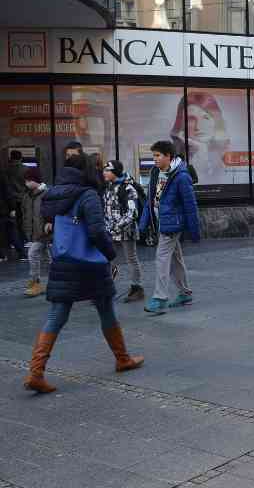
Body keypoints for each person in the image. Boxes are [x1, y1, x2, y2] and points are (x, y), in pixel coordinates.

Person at [23, 154, 144, 394]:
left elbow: (50, 223)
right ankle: (122, 359)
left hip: (63, 260)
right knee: (105, 308)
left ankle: (35, 372)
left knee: (57, 314)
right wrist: (110, 254)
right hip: (90, 264)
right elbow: (97, 231)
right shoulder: (88, 195)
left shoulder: (56, 193)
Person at [139, 140, 200, 315]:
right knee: (175, 259)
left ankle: (160, 298)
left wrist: (194, 230)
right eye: (153, 156)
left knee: (162, 257)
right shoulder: (156, 172)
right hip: (161, 222)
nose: (155, 159)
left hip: (172, 224)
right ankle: (185, 293)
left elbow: (190, 205)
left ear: (168, 156)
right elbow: (151, 200)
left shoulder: (181, 176)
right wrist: (144, 223)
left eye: (157, 155)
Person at [102, 160, 144, 301]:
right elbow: (106, 208)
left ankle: (136, 288)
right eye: (104, 170)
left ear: (115, 172)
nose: (104, 173)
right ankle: (106, 288)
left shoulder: (127, 188)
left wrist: (116, 226)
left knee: (131, 258)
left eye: (108, 170)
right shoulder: (108, 186)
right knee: (109, 259)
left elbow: (133, 213)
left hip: (126, 229)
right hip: (110, 229)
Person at [22, 168, 50, 297]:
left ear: (35, 180)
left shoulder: (46, 193)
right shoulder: (27, 195)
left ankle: (36, 282)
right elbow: (26, 214)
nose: (26, 183)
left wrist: (49, 225)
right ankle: (51, 282)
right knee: (47, 258)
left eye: (28, 180)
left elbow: (51, 212)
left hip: (44, 233)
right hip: (35, 233)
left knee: (33, 254)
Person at [7, 150, 27, 260]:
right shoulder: (26, 169)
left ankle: (14, 243)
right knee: (22, 222)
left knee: (13, 224)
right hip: (23, 199)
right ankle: (23, 242)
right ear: (21, 157)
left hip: (10, 201)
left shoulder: (6, 169)